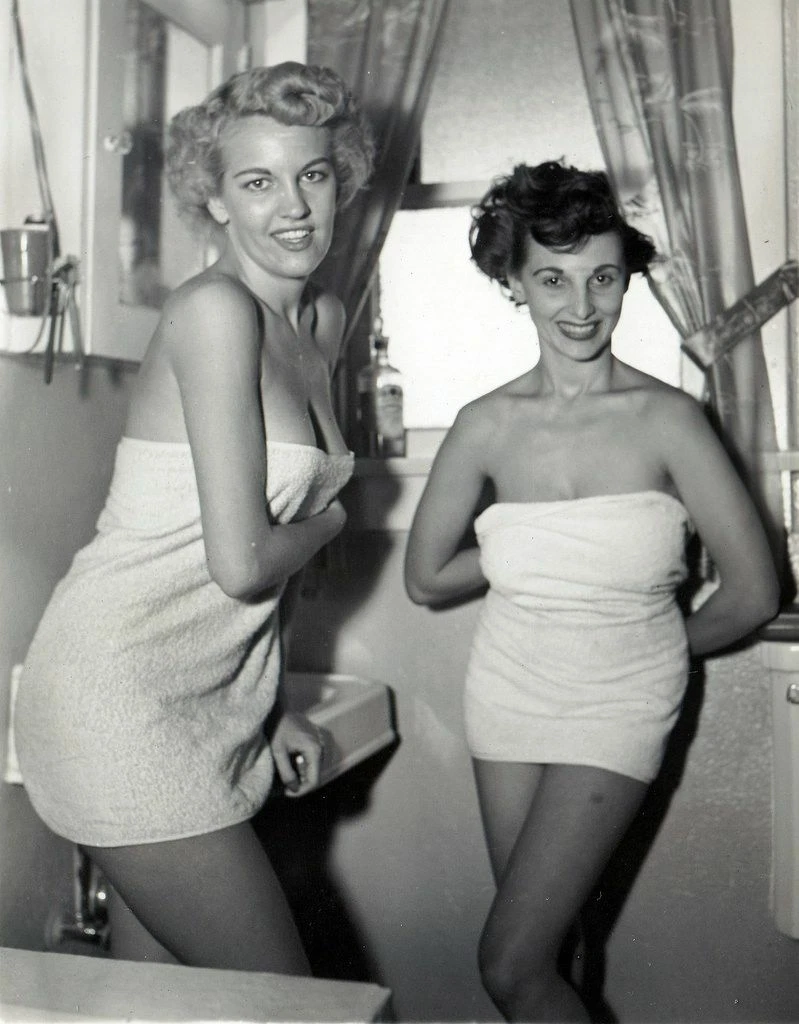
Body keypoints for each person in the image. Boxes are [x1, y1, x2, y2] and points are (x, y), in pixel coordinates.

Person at [15, 62, 373, 973]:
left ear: (341, 180)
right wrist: (335, 523)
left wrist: (270, 707)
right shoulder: (215, 311)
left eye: (313, 174)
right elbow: (245, 562)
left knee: (167, 1006)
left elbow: (264, 560)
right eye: (256, 182)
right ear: (213, 201)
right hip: (116, 698)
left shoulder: (323, 321)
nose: (293, 207)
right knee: (286, 1006)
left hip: (210, 702)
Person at [404, 160, 780, 1022]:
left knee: (508, 964)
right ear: (514, 282)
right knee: (553, 950)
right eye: (552, 279)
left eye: (602, 278)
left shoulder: (669, 420)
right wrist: (521, 550)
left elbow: (753, 593)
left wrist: (653, 650)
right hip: (509, 693)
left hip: (620, 701)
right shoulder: (483, 425)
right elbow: (424, 578)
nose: (580, 305)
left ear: (625, 281)